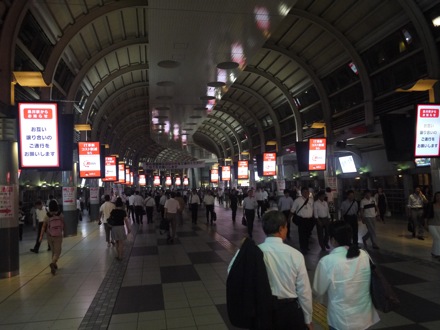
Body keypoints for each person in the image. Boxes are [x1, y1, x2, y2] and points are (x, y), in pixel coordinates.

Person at [313, 221, 380, 330]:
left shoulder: (328, 261)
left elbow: (318, 290)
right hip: (364, 317)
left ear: (333, 240)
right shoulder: (364, 255)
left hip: (341, 320)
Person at [259, 211, 313, 329]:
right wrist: (308, 318)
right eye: (286, 227)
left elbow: (232, 271)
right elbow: (304, 290)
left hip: (262, 309)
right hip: (289, 310)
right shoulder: (295, 255)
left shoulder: (254, 251)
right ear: (281, 229)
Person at [39, 200, 65, 275]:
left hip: (49, 235)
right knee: (58, 251)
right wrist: (64, 231)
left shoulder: (47, 216)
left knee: (53, 251)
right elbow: (63, 223)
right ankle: (53, 263)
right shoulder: (60, 214)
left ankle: (54, 264)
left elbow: (43, 227)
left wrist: (40, 236)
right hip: (58, 235)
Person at [290, 187, 314, 254]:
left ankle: (306, 246)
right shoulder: (297, 200)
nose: (306, 193)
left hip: (309, 220)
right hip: (301, 220)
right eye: (305, 192)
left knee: (307, 234)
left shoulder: (311, 200)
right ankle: (303, 248)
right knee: (302, 234)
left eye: (307, 192)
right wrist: (288, 219)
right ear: (302, 193)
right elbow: (292, 210)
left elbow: (312, 209)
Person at [428, 191, 440, 259]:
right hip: (432, 224)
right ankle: (438, 254)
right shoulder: (431, 205)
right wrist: (426, 223)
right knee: (438, 239)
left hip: (439, 225)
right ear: (435, 197)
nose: (439, 197)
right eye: (437, 196)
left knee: (436, 239)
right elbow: (427, 214)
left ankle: (433, 252)